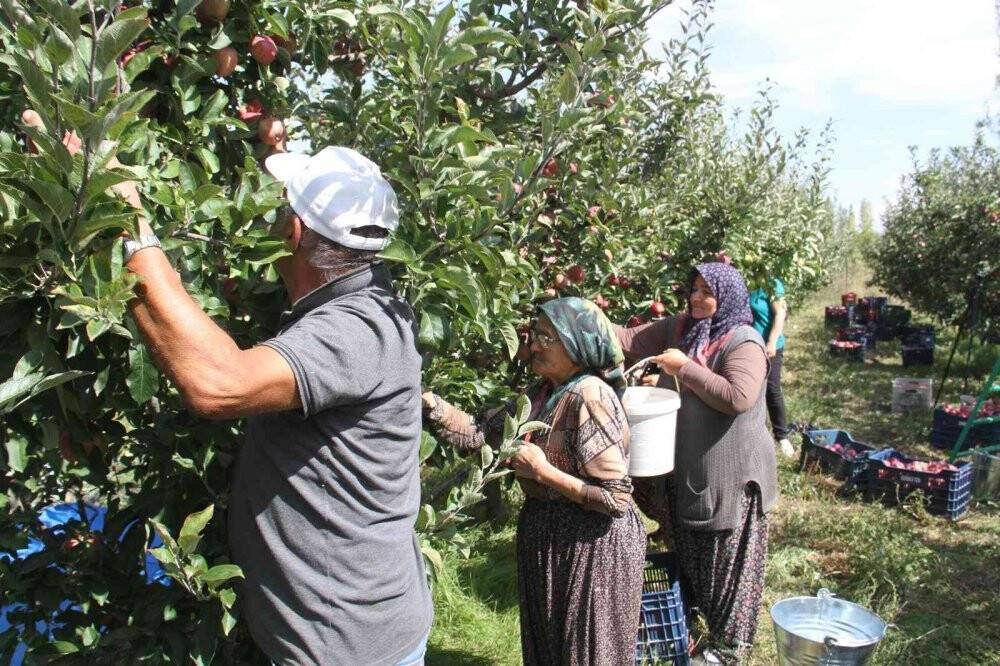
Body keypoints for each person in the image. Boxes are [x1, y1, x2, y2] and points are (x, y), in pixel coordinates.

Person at [121, 144, 433, 664]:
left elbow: (217, 383)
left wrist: (129, 223)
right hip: (338, 632)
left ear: (293, 232)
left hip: (346, 648)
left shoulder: (357, 330)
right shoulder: (353, 308)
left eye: (281, 208)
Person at [422, 297, 645, 666]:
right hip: (553, 538)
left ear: (577, 344)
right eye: (535, 334)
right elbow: (480, 435)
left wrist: (544, 472)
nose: (534, 345)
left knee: (584, 654)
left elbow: (615, 500)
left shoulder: (589, 396)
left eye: (547, 338)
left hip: (591, 546)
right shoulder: (541, 393)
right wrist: (431, 404)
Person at [615, 263, 778, 664]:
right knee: (691, 548)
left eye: (708, 291)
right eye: (694, 289)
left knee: (727, 564)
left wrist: (683, 369)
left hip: (732, 477)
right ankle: (695, 622)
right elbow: (628, 339)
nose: (697, 298)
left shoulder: (744, 342)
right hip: (688, 470)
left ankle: (729, 647)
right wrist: (580, 311)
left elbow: (737, 396)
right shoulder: (683, 328)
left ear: (728, 297)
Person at [749, 276, 794, 457]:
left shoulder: (771, 283)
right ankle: (758, 431)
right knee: (754, 388)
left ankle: (782, 436)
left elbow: (780, 314)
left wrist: (772, 341)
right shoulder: (744, 282)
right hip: (749, 344)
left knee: (772, 388)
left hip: (769, 345)